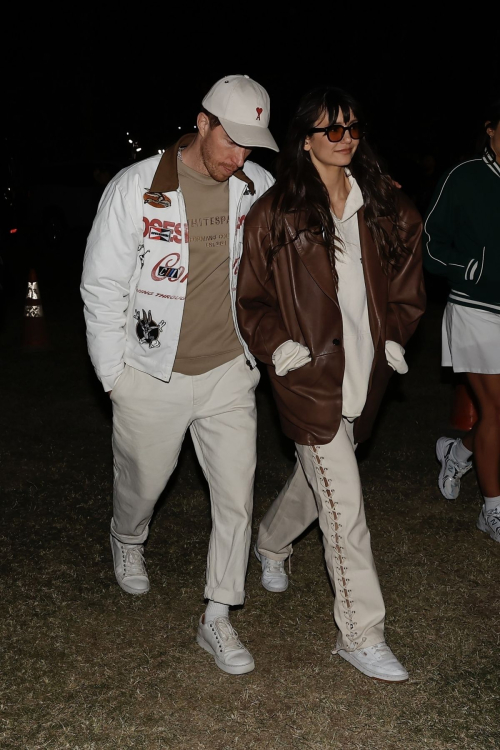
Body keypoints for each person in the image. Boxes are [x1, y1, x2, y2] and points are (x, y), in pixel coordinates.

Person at [81, 75, 277, 675]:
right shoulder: (139, 187)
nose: (238, 157)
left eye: (250, 145)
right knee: (142, 484)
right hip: (150, 374)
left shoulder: (257, 187)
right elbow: (102, 285)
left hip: (227, 371)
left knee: (236, 495)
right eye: (231, 141)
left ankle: (217, 614)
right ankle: (128, 538)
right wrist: (114, 375)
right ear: (202, 123)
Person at [237, 85, 425, 682]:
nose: (345, 140)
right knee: (345, 506)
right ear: (305, 139)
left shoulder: (381, 204)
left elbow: (406, 272)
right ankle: (361, 633)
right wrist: (276, 346)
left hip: (365, 372)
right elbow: (251, 299)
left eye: (353, 130)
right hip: (307, 376)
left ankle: (269, 540)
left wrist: (395, 332)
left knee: (317, 479)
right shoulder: (278, 211)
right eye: (331, 131)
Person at [424, 99, 500, 543]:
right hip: (474, 309)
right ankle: (492, 509)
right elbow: (430, 244)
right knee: (496, 410)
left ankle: (458, 449)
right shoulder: (464, 177)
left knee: (496, 414)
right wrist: (465, 267)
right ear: (490, 130)